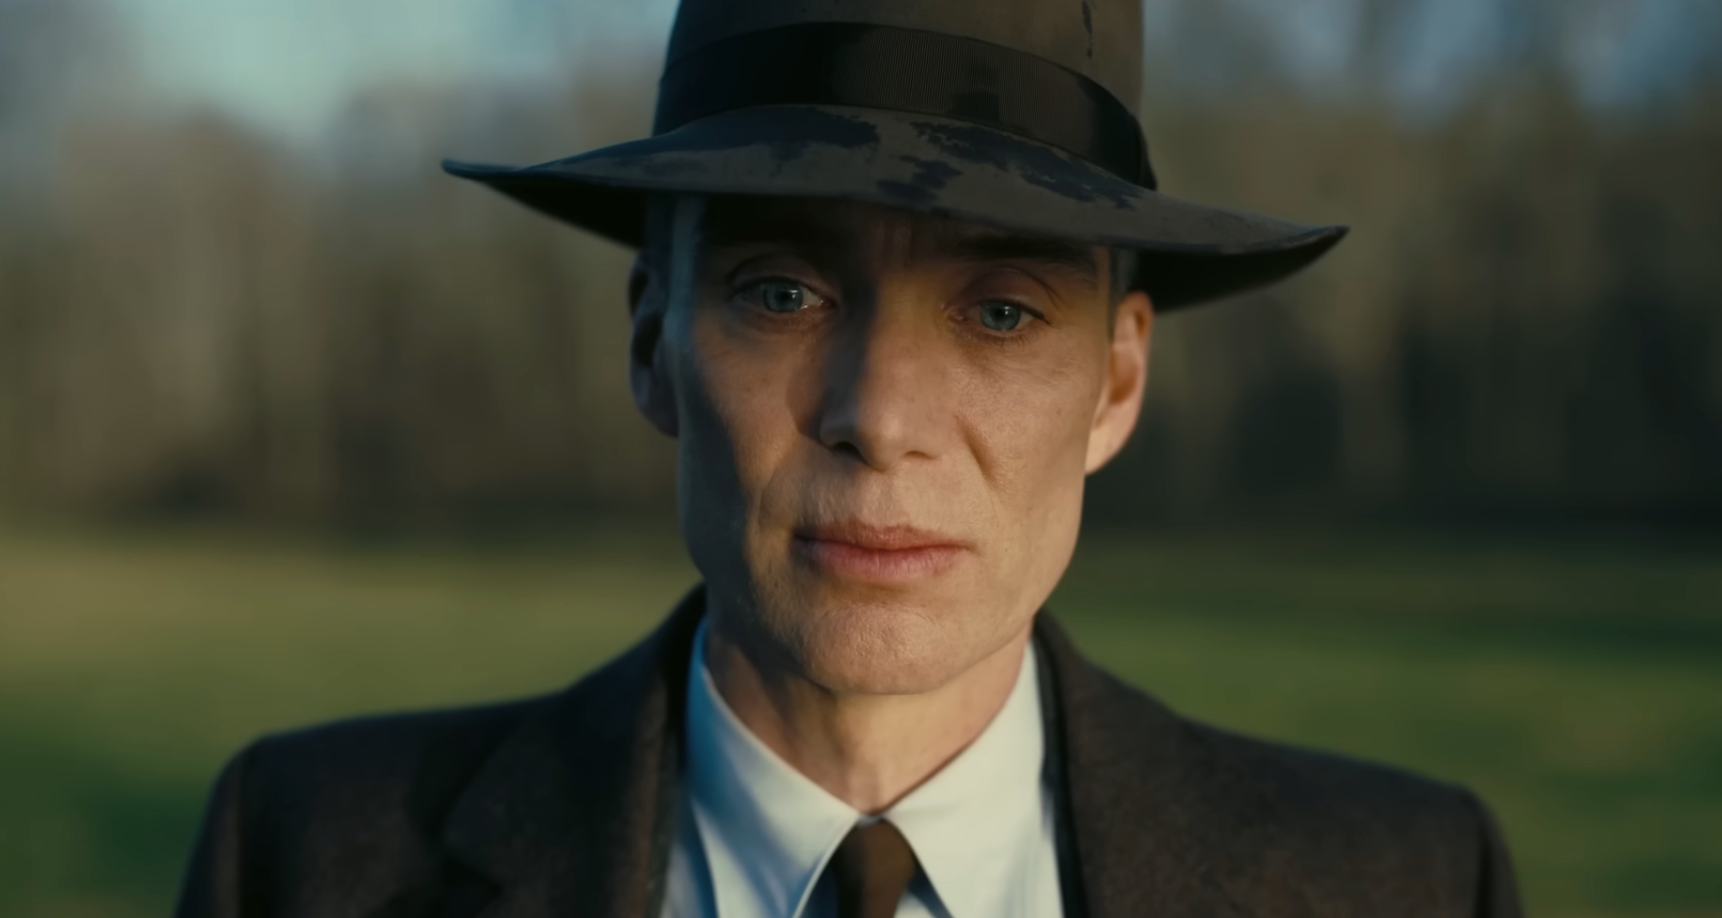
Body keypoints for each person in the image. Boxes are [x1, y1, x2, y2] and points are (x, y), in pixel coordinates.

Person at [176, 1, 1522, 916]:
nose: (878, 413)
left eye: (1000, 310)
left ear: (1115, 381)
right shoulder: (304, 856)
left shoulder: (1402, 880)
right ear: (650, 341)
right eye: (781, 292)